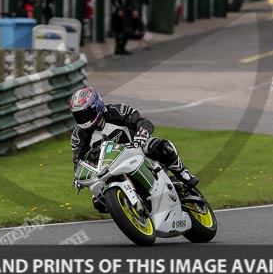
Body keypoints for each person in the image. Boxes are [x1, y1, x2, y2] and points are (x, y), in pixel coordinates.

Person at [69, 86, 199, 212]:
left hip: (136, 150)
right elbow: (79, 161)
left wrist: (142, 133)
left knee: (160, 146)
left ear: (97, 107)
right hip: (108, 167)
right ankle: (131, 211)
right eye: (79, 116)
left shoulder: (117, 110)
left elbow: (142, 121)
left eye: (86, 114)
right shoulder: (78, 135)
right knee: (99, 204)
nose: (83, 119)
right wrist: (78, 178)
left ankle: (182, 173)